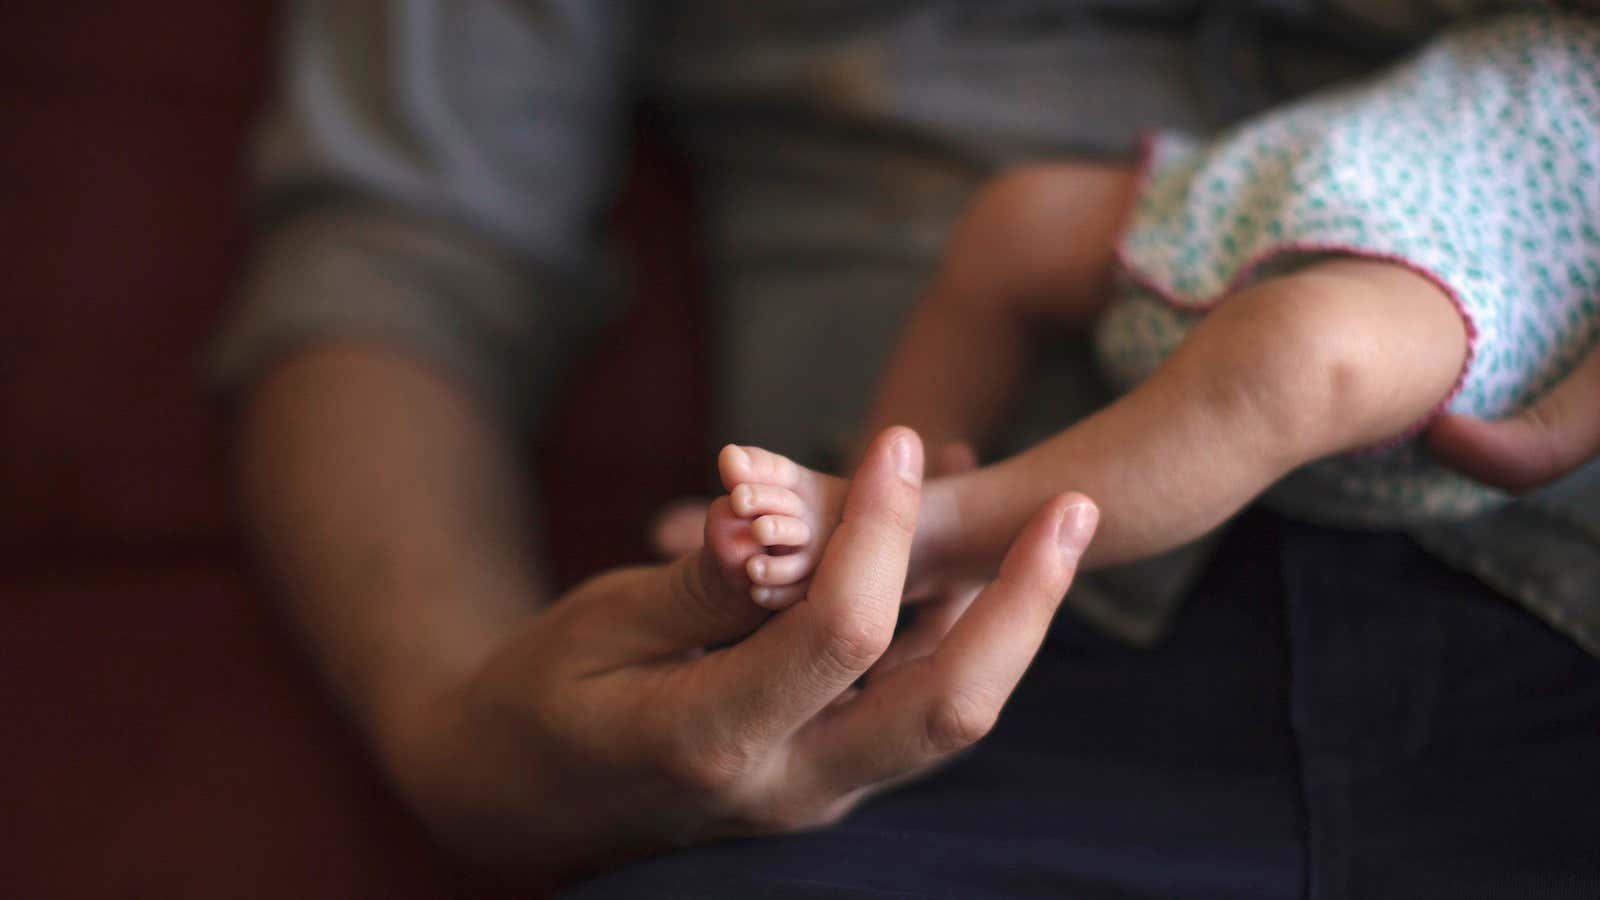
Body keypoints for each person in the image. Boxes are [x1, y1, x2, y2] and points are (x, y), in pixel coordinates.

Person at [213, 2, 1600, 896]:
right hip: (904, 733)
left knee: (1314, 354)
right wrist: (456, 735)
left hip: (1556, 618)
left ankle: (915, 517)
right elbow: (396, 256)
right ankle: (900, 512)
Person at [707, 12, 1600, 608]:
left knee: (1299, 352)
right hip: (1325, 182)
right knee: (1014, 221)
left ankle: (932, 535)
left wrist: (1554, 431)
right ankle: (877, 482)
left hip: (1479, 288)